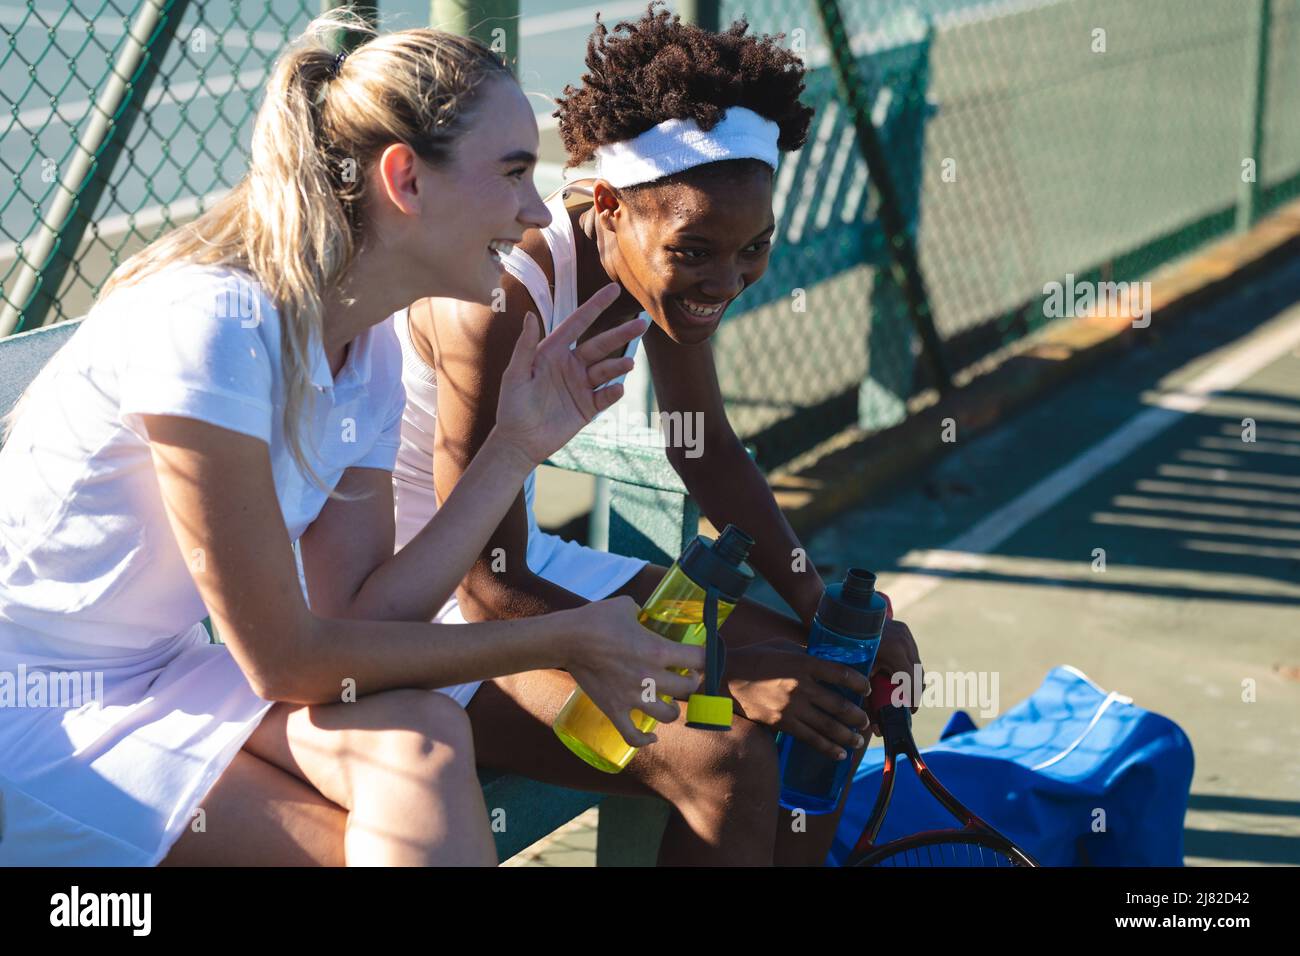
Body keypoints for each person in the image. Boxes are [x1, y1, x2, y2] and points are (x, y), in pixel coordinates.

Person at [0, 9, 701, 867]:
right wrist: (563, 638)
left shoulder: (362, 346)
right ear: (404, 178)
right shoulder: (211, 326)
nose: (530, 214)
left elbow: (361, 615)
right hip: (35, 712)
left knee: (424, 735)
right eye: (515, 172)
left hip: (166, 672)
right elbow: (289, 661)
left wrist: (514, 448)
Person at [398, 3, 924, 866]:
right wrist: (720, 679)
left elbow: (703, 444)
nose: (729, 279)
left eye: (755, 247)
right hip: (425, 616)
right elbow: (487, 590)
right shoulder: (501, 301)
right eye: (698, 251)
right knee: (724, 756)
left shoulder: (651, 266)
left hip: (523, 566)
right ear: (609, 205)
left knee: (830, 696)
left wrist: (825, 612)